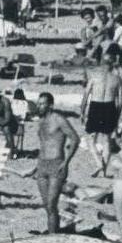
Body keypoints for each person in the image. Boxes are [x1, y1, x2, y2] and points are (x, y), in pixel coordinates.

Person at [32, 93, 80, 235]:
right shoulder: (40, 121)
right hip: (42, 165)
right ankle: (54, 233)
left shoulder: (59, 120)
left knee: (52, 205)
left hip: (56, 164)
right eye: (38, 103)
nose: (38, 106)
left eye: (42, 104)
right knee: (47, 206)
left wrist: (66, 162)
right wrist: (35, 167)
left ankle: (53, 236)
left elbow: (75, 139)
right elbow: (44, 145)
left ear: (50, 105)